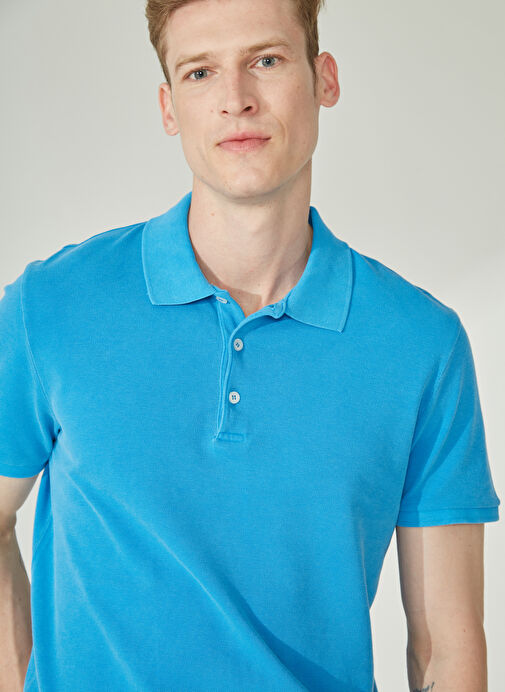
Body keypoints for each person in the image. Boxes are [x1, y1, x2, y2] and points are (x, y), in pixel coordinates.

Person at [0, 0, 500, 690]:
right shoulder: (52, 306)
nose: (235, 99)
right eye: (200, 72)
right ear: (169, 106)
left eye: (265, 60)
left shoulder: (421, 344)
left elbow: (445, 648)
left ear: (324, 79)